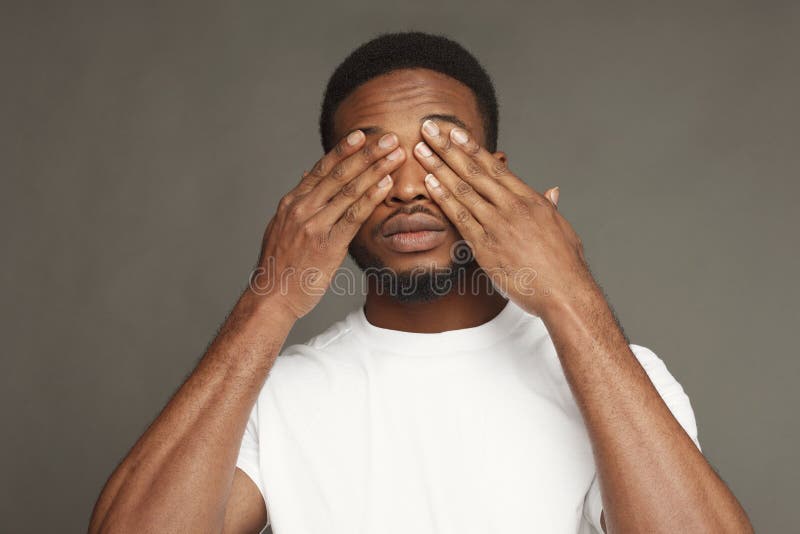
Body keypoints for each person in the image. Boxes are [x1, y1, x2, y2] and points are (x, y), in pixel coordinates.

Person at [89, 32, 753, 534]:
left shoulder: (622, 376)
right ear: (324, 190)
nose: (408, 188)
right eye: (372, 161)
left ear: (499, 178)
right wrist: (270, 299)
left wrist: (568, 294)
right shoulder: (273, 397)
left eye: (440, 155)